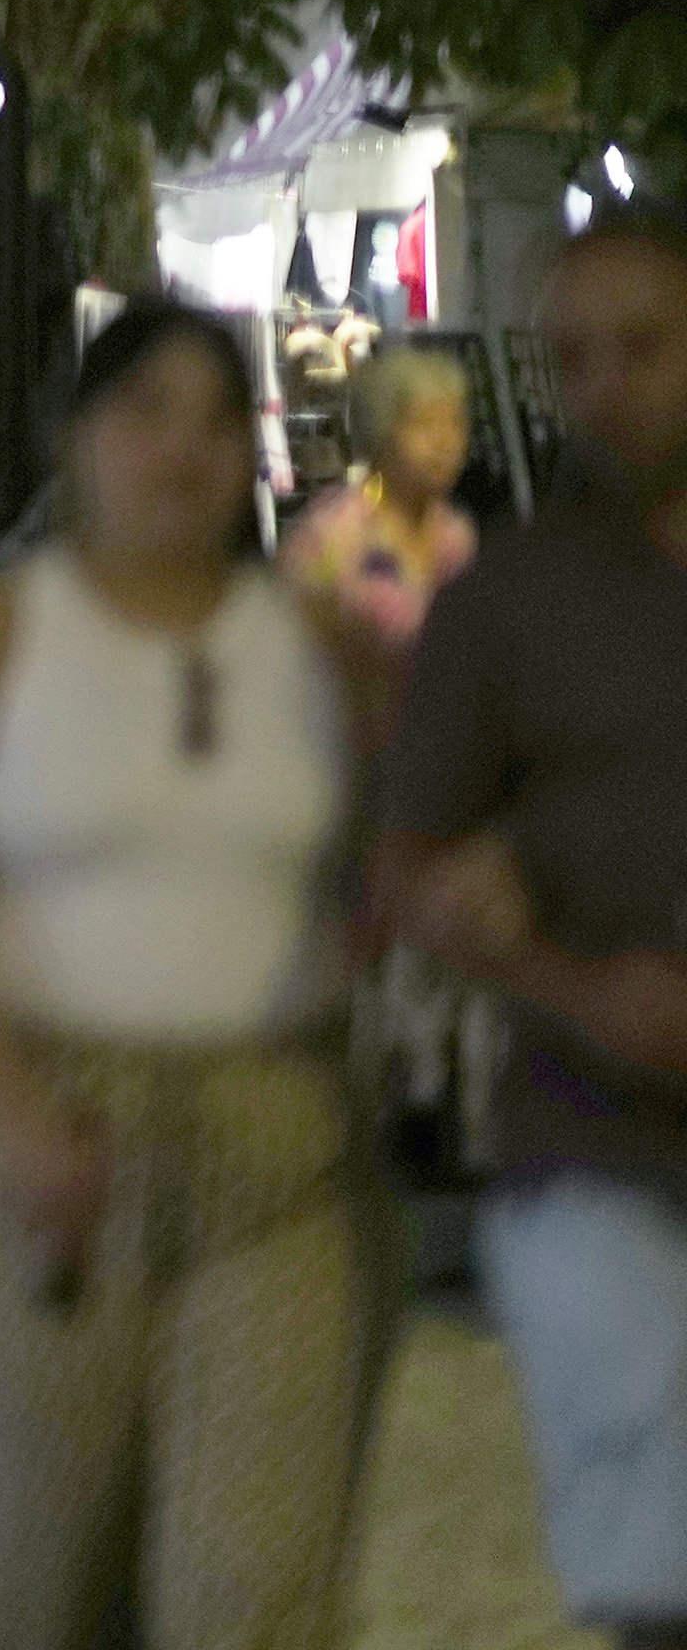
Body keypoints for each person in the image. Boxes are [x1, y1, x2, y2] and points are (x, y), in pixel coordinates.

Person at [0, 296, 379, 1650]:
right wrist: (8, 1102)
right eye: (144, 412)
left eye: (216, 419)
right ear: (76, 437)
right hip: (42, 1154)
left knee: (247, 1591)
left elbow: (412, 834)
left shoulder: (319, 645)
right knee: (46, 1594)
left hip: (274, 1145)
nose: (181, 451)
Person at [380, 214, 687, 1650]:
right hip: (589, 1136)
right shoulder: (507, 600)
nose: (607, 385)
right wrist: (557, 976)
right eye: (574, 357)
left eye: (645, 346)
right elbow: (406, 866)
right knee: (661, 1563)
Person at [276, 337, 476, 709]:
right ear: (381, 432)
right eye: (423, 425)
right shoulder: (332, 532)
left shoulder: (457, 535)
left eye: (455, 424)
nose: (444, 442)